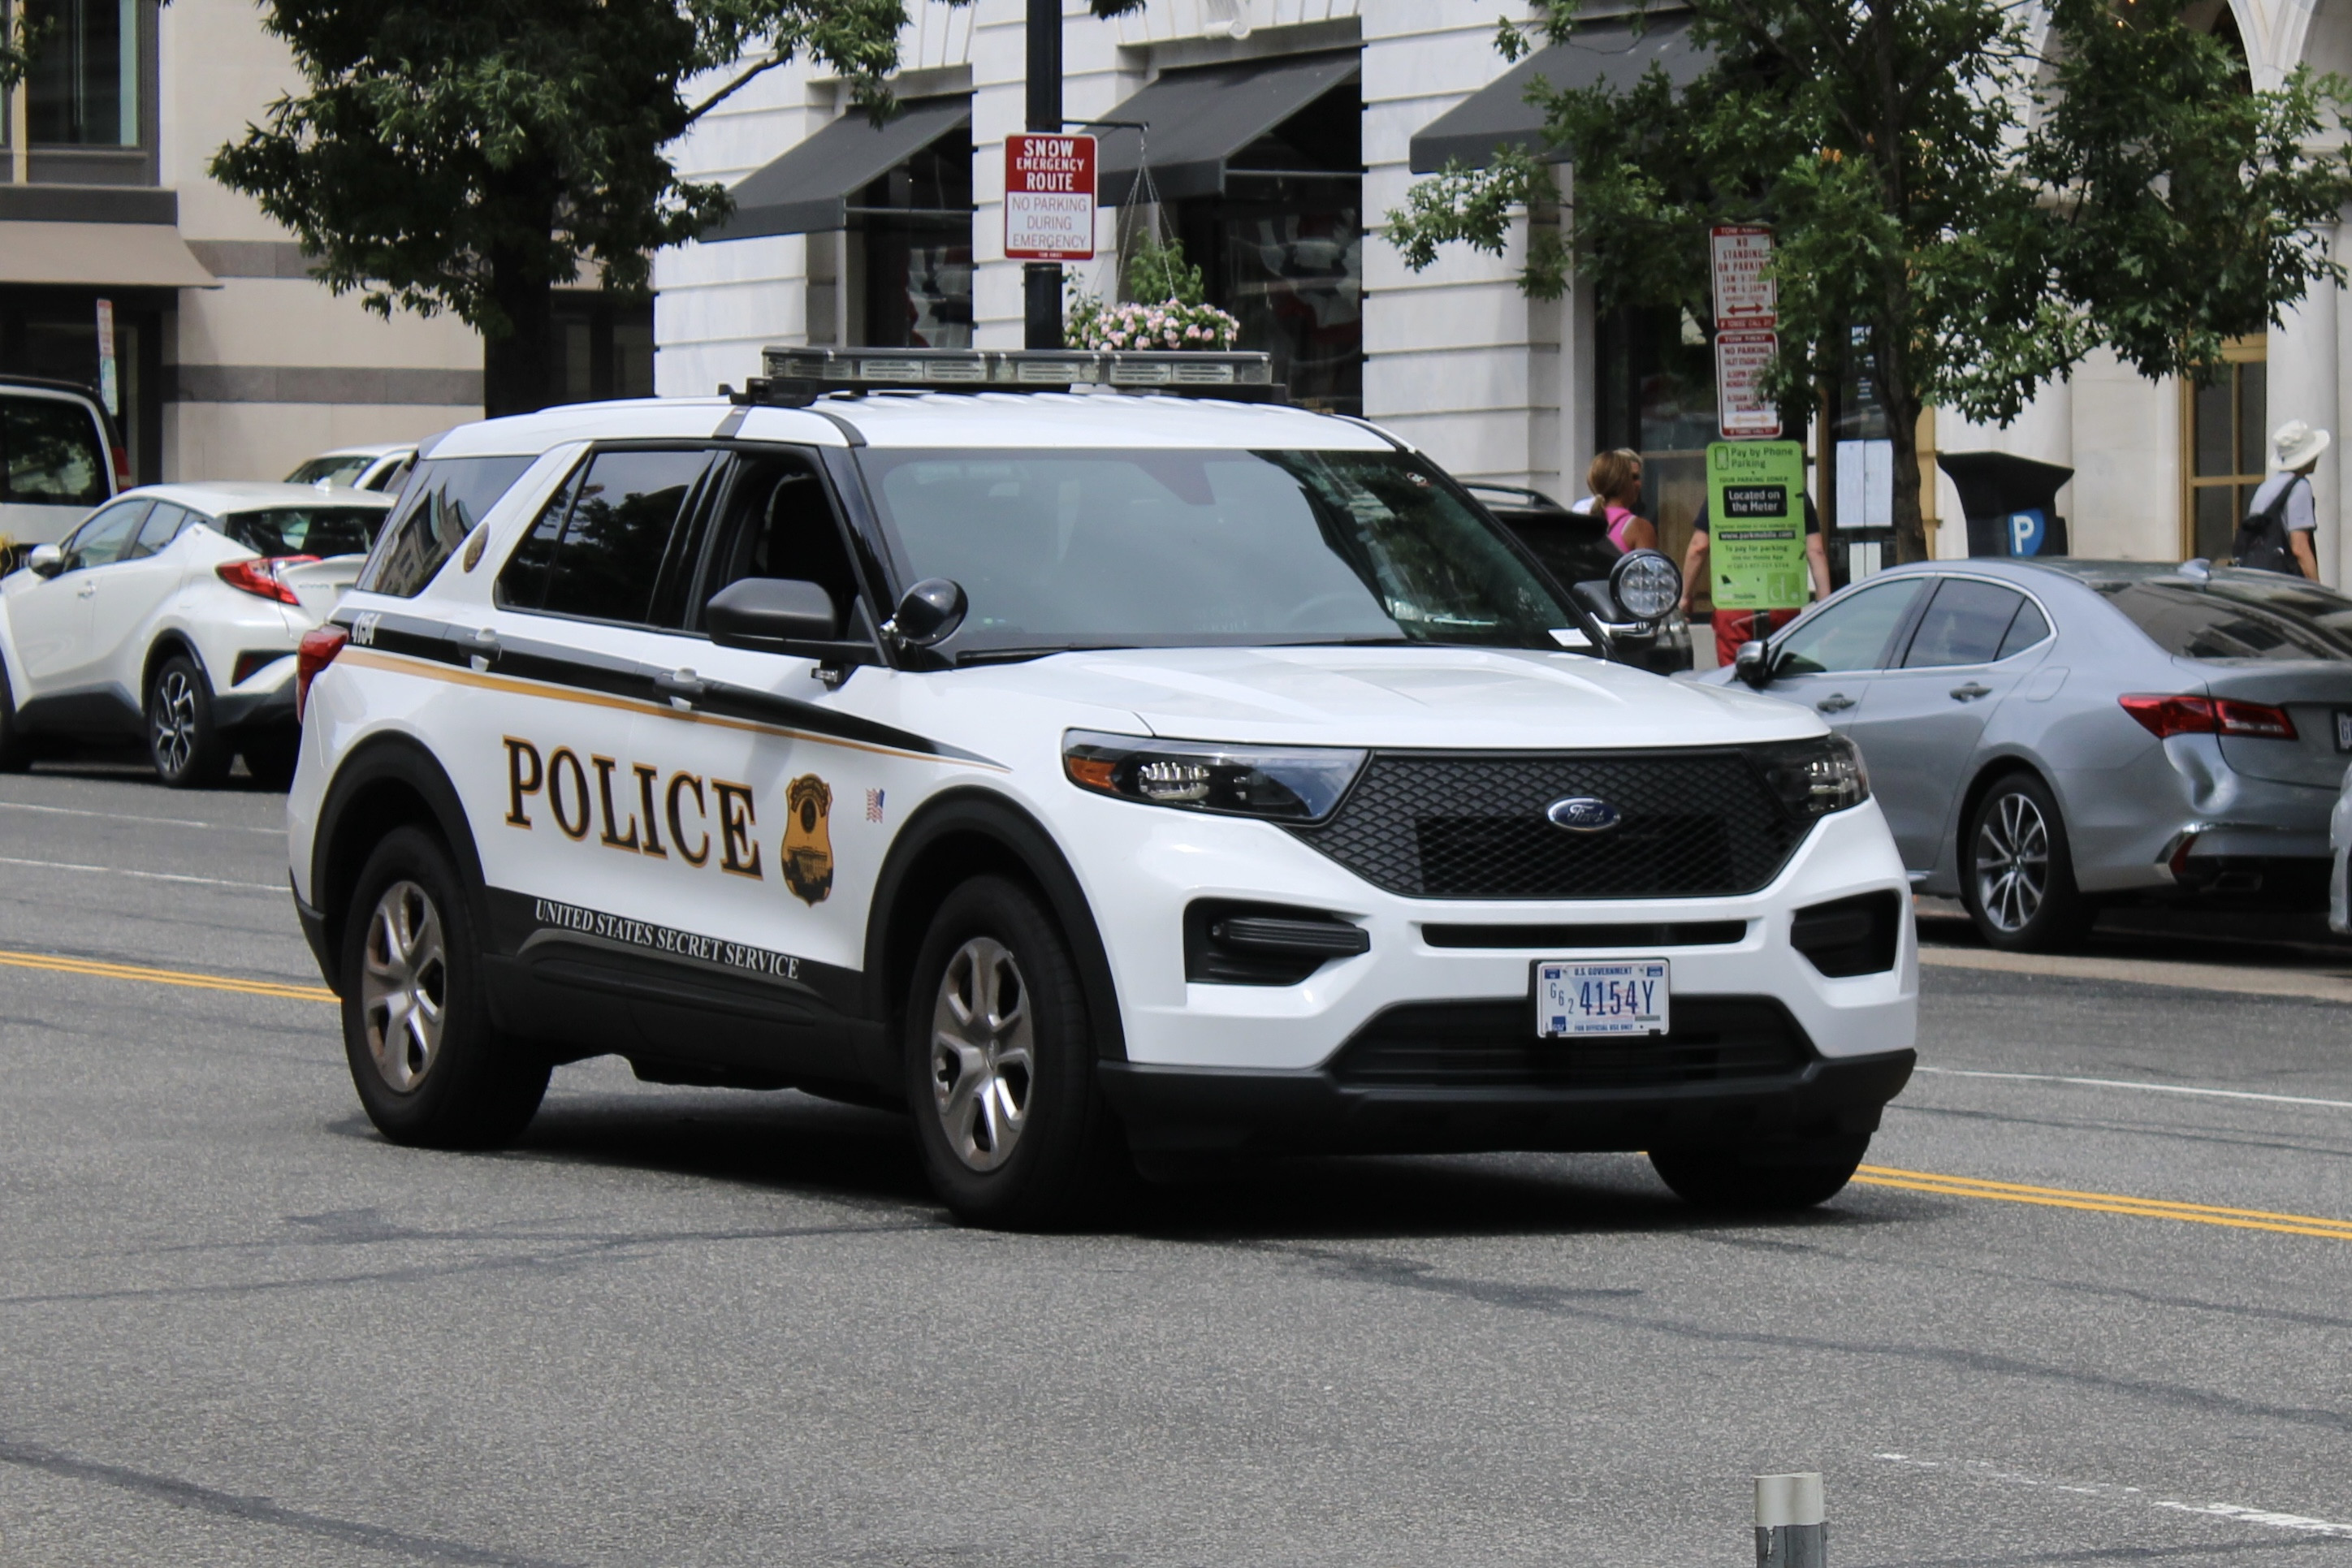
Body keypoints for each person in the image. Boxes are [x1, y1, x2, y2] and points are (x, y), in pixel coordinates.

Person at [1680, 493, 1832, 668]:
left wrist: (1685, 596)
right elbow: (1816, 551)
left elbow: (1699, 547)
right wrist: (1825, 607)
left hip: (1734, 603)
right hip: (1781, 600)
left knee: (1735, 680)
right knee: (1779, 677)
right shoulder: (1793, 489)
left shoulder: (1722, 487)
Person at [2236, 421, 2328, 578]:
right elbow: (2300, 548)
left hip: (2258, 578)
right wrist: (2318, 592)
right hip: (2285, 582)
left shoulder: (2265, 488)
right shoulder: (2299, 487)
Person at [1583, 448, 1657, 553]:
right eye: (1634, 477)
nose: (1639, 484)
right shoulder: (1639, 528)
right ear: (1622, 480)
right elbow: (1647, 569)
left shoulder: (1582, 526)